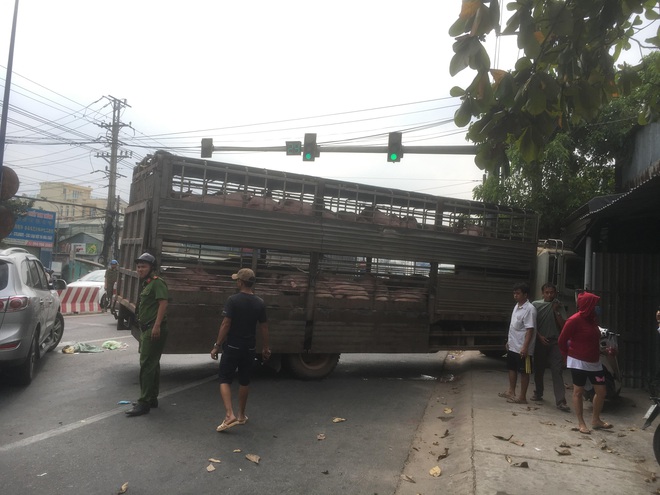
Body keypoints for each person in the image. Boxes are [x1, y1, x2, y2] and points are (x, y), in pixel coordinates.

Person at [210, 268, 270, 432]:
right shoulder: (259, 302)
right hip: (249, 347)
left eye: (237, 280)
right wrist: (265, 347)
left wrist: (216, 345)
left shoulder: (233, 300)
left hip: (233, 346)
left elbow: (226, 324)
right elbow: (264, 327)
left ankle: (229, 415)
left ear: (240, 282)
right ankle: (241, 415)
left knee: (224, 379)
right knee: (245, 381)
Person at [558, 291, 612, 434]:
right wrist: (566, 357)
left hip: (594, 362)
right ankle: (581, 423)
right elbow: (562, 340)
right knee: (578, 392)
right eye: (594, 305)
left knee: (601, 391)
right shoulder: (574, 320)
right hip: (578, 362)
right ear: (588, 306)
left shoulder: (593, 320)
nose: (597, 308)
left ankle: (596, 420)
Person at [125, 253, 169, 417]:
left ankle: (144, 403)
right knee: (152, 364)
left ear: (152, 268)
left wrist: (156, 325)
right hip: (147, 328)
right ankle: (151, 398)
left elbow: (163, 303)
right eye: (139, 266)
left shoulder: (157, 283)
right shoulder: (148, 283)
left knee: (146, 364)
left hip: (153, 328)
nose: (140, 269)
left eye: (144, 266)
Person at [531, 283, 569, 411]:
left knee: (557, 370)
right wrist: (539, 337)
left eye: (551, 292)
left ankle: (561, 400)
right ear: (542, 293)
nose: (549, 295)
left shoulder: (558, 305)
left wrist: (556, 311)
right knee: (539, 368)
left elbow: (564, 325)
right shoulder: (535, 305)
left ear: (555, 293)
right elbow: (531, 325)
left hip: (555, 342)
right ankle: (538, 392)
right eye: (546, 292)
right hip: (540, 341)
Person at [499, 282, 537, 404]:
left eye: (518, 293)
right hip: (513, 345)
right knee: (511, 368)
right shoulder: (517, 306)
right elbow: (513, 327)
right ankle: (511, 391)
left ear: (525, 295)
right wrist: (509, 341)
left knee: (524, 372)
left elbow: (530, 330)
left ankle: (522, 397)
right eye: (514, 293)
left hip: (522, 347)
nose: (515, 295)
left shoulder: (529, 309)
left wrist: (525, 347)